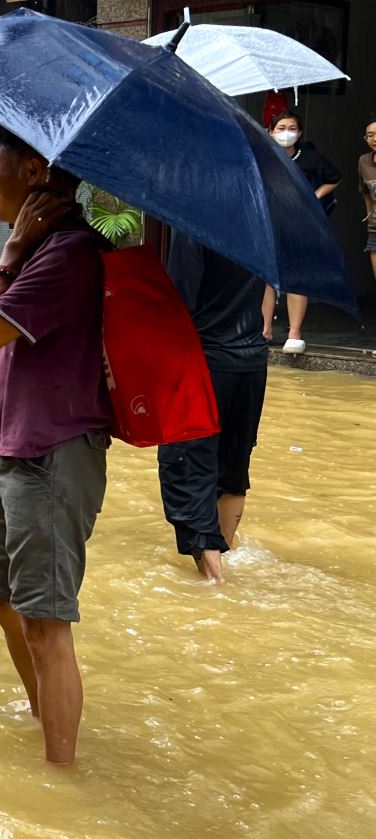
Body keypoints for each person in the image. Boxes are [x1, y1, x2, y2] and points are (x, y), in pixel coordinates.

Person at [0, 123, 113, 765]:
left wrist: (9, 252)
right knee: (1, 592)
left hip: (51, 456)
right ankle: (45, 712)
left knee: (47, 622)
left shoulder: (64, 254)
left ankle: (61, 775)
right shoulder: (46, 251)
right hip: (14, 451)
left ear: (34, 174)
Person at [157, 231, 268, 585]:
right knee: (234, 468)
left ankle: (215, 584)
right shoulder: (259, 230)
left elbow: (178, 304)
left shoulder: (194, 229)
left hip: (205, 364)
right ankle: (226, 568)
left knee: (189, 464)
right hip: (251, 363)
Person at [262, 110, 341, 353]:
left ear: (300, 132)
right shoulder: (262, 157)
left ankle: (294, 333)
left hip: (300, 224)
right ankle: (264, 330)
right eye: (281, 127)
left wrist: (314, 197)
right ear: (270, 131)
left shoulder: (309, 157)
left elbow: (335, 178)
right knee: (265, 277)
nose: (286, 132)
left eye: (292, 128)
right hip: (269, 222)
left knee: (297, 276)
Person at [359, 119, 376, 290]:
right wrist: (369, 210)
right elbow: (364, 189)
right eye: (370, 135)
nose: (374, 139)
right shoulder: (364, 161)